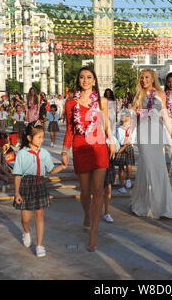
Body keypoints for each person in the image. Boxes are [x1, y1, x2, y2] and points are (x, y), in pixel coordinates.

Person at [62, 67, 116, 252]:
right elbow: (70, 129)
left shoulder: (101, 101)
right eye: (82, 77)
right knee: (85, 192)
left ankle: (94, 232)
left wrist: (111, 141)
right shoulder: (70, 103)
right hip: (80, 146)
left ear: (94, 81)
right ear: (78, 80)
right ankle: (87, 213)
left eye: (89, 77)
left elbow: (106, 122)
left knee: (98, 189)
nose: (85, 80)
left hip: (99, 145)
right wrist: (64, 150)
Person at [130, 68, 172, 220]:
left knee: (158, 168)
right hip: (143, 133)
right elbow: (133, 117)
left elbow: (165, 115)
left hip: (157, 132)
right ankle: (147, 206)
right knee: (147, 166)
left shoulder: (161, 94)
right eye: (141, 77)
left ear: (152, 79)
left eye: (146, 77)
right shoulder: (139, 94)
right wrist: (128, 136)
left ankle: (160, 206)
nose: (143, 80)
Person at [13, 122, 66, 257]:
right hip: (26, 184)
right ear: (30, 138)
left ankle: (40, 245)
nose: (42, 140)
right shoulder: (22, 154)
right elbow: (18, 175)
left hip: (40, 184)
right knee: (25, 219)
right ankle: (26, 232)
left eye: (43, 137)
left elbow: (51, 170)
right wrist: (17, 192)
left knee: (40, 215)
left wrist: (62, 166)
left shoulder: (45, 153)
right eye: (39, 137)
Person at [114, 112, 136, 193]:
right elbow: (133, 139)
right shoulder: (132, 128)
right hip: (128, 147)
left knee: (121, 167)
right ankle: (128, 180)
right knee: (128, 164)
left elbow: (118, 139)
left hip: (122, 147)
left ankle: (122, 186)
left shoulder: (119, 129)